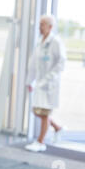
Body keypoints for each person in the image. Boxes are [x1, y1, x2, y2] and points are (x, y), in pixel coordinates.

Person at [25, 15, 66, 152]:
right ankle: (57, 128)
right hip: (39, 84)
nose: (39, 27)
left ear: (50, 27)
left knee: (45, 113)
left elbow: (61, 63)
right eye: (39, 24)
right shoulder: (40, 41)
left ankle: (40, 142)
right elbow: (33, 63)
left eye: (42, 24)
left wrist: (49, 78)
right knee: (38, 111)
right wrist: (29, 81)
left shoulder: (55, 42)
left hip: (49, 85)